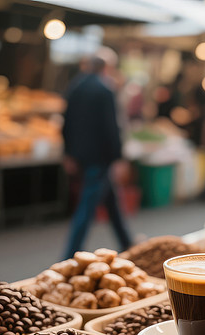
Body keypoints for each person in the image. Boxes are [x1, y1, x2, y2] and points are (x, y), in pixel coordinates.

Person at [62, 52, 132, 258]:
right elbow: (112, 128)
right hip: (100, 156)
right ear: (106, 68)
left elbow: (66, 123)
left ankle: (128, 244)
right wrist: (118, 157)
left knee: (111, 201)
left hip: (80, 154)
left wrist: (68, 153)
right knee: (87, 206)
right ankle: (68, 256)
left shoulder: (75, 86)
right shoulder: (105, 89)